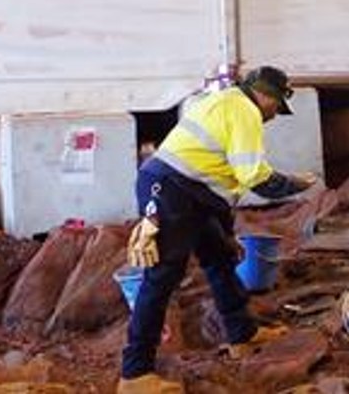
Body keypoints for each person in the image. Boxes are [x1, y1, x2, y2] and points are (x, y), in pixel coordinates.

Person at [119, 66, 315, 393]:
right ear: (265, 95)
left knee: (219, 257)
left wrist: (224, 227)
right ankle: (134, 374)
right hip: (170, 189)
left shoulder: (225, 101)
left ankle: (242, 333)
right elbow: (255, 176)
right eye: (276, 107)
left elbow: (219, 177)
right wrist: (294, 184)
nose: (274, 115)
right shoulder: (244, 111)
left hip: (188, 191)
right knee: (162, 277)